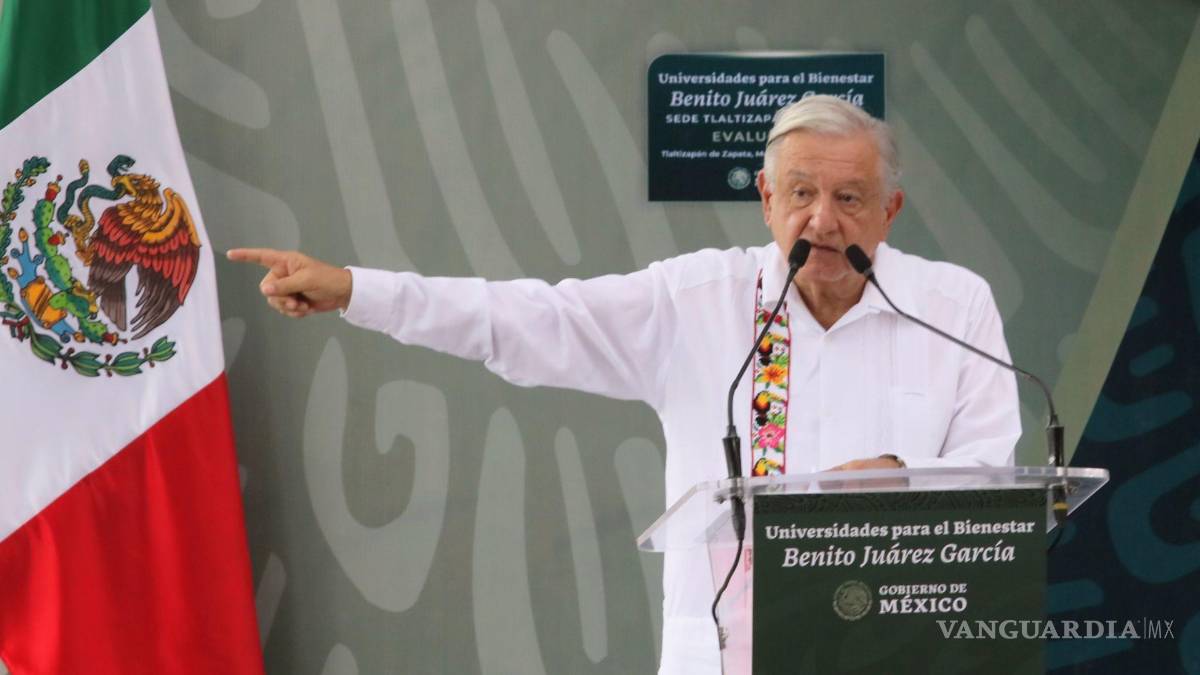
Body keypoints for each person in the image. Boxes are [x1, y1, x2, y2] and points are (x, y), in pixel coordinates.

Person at [229, 95, 1019, 674]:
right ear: (766, 199)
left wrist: (906, 483)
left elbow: (1000, 485)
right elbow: (529, 320)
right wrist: (359, 290)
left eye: (849, 198)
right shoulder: (699, 300)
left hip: (901, 649)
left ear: (890, 210)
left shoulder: (954, 308)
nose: (823, 221)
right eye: (802, 193)